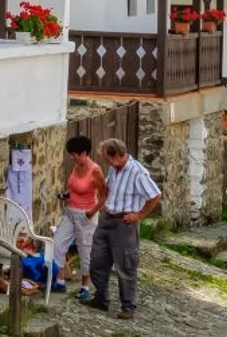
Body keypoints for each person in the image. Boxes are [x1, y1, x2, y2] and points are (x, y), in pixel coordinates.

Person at [85, 138, 162, 321]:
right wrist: (103, 204)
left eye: (106, 158)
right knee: (97, 261)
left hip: (124, 223)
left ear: (116, 155)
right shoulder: (114, 168)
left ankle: (128, 306)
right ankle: (101, 299)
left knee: (125, 266)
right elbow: (109, 188)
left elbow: (155, 195)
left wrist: (139, 215)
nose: (105, 161)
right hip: (106, 221)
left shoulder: (138, 173)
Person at [51, 136, 107, 301]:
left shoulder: (95, 170)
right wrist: (66, 196)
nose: (72, 157)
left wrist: (92, 212)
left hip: (86, 215)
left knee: (85, 251)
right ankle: (60, 280)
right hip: (70, 212)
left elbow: (104, 196)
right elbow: (74, 189)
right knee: (58, 243)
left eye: (75, 154)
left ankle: (85, 286)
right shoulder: (76, 167)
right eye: (71, 154)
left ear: (85, 153)